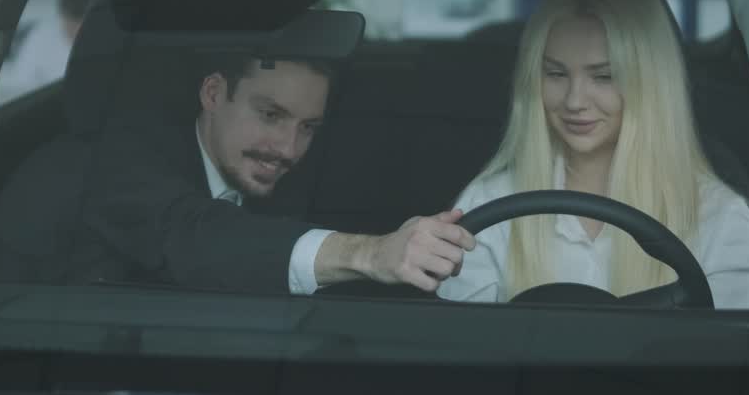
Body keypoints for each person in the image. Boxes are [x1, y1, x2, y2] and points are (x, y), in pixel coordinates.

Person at [437, 0, 749, 318]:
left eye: (603, 77)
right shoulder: (489, 202)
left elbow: (740, 360)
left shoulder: (719, 219)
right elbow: (456, 346)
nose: (574, 101)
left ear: (651, 84)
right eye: (555, 74)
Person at [78, 51, 477, 296]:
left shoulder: (289, 174)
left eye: (308, 128)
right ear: (213, 93)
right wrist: (370, 254)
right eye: (270, 115)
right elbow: (193, 235)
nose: (288, 149)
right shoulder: (120, 163)